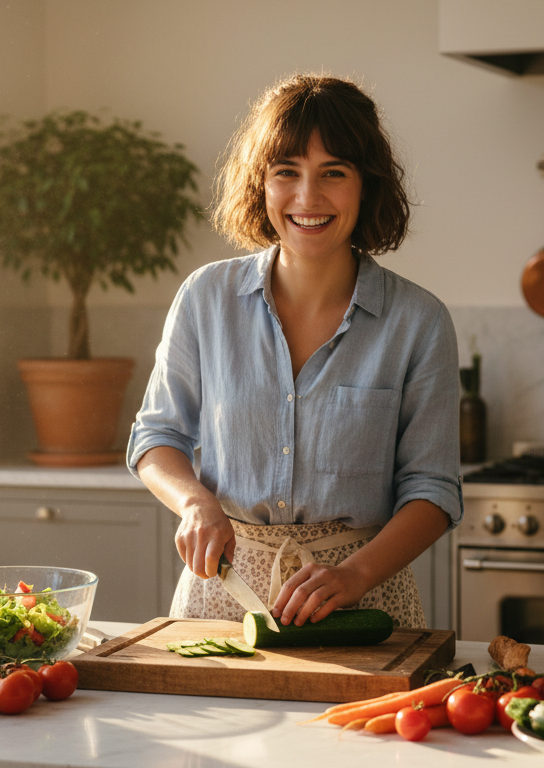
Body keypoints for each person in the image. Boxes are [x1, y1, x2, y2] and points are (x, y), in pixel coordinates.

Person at [126, 74, 461, 630]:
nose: (308, 198)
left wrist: (352, 576)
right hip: (221, 601)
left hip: (362, 605)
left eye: (334, 173)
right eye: (287, 172)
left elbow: (433, 491)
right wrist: (194, 502)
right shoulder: (205, 298)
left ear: (366, 186)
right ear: (261, 183)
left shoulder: (419, 322)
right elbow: (155, 437)